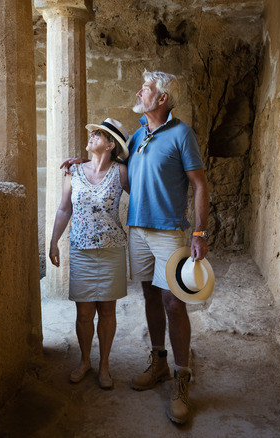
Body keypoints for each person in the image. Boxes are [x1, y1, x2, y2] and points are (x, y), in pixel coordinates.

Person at [62, 71, 210, 424]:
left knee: (174, 302)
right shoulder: (139, 136)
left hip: (169, 232)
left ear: (161, 99)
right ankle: (159, 360)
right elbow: (109, 167)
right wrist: (80, 162)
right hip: (137, 232)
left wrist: (200, 233)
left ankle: (181, 376)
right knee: (150, 296)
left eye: (145, 89)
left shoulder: (181, 134)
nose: (139, 92)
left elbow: (199, 185)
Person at [49, 118, 130, 390]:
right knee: (84, 313)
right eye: (94, 131)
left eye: (100, 133)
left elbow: (142, 194)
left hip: (112, 250)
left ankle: (104, 365)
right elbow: (64, 209)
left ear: (111, 145)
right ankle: (85, 361)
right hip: (81, 250)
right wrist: (53, 241)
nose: (93, 134)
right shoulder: (74, 170)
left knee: (107, 311)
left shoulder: (121, 172)